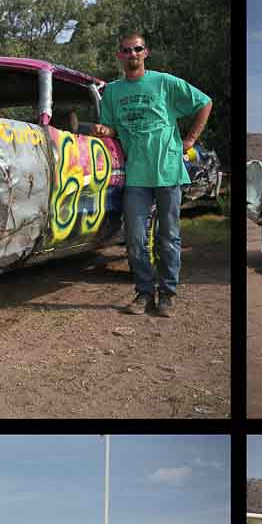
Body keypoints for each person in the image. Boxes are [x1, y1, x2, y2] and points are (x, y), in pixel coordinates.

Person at [95, 30, 212, 317]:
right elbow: (112, 128)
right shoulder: (112, 91)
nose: (132, 54)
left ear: (146, 52)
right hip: (136, 174)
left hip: (168, 170)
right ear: (119, 55)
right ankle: (143, 292)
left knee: (168, 236)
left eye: (137, 49)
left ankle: (167, 294)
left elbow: (204, 102)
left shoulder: (163, 83)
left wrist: (190, 141)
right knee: (135, 237)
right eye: (126, 50)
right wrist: (103, 131)